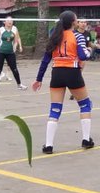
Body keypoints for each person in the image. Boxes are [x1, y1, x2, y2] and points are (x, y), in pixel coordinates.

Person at [32, 11, 93, 154]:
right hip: (72, 72)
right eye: (77, 20)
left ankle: (48, 145)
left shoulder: (54, 36)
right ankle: (86, 139)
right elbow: (84, 56)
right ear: (73, 22)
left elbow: (46, 60)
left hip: (57, 73)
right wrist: (89, 50)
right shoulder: (77, 36)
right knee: (85, 104)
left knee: (55, 109)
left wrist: (39, 79)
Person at [0, 17, 27, 92]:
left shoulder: (14, 30)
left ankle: (19, 85)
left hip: (10, 53)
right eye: (8, 21)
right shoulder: (0, 30)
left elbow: (16, 40)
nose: (10, 22)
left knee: (14, 69)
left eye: (11, 21)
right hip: (0, 52)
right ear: (4, 22)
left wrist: (16, 45)